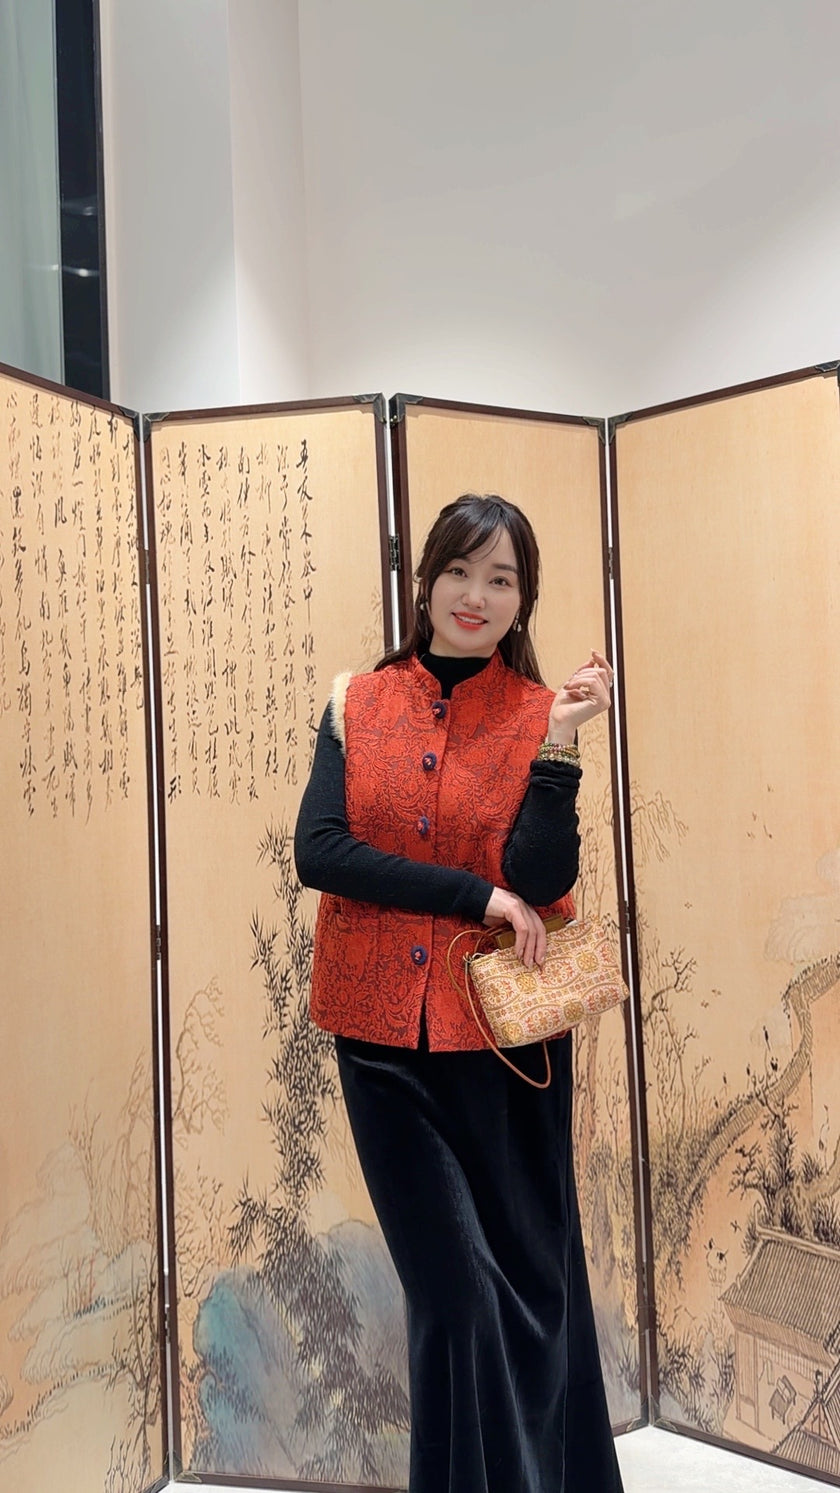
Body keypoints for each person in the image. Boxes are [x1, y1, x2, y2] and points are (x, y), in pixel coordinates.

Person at [294, 492, 624, 1493]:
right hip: (381, 1041)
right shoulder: (356, 699)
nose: (475, 595)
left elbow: (540, 874)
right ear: (423, 577)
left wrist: (562, 744)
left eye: (502, 578)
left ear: (523, 599)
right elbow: (322, 851)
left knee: (531, 1286)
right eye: (459, 571)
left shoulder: (534, 714)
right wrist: (469, 891)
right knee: (455, 1297)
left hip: (509, 1045)